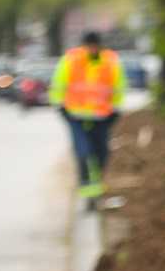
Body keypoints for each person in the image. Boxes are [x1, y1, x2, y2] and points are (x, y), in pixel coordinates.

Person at [53, 30, 125, 211]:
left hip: (102, 118)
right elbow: (59, 85)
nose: (92, 49)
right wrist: (61, 107)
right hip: (76, 117)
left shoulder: (110, 61)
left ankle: (96, 187)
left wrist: (115, 110)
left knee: (102, 153)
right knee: (83, 153)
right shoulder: (72, 60)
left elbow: (118, 87)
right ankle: (88, 193)